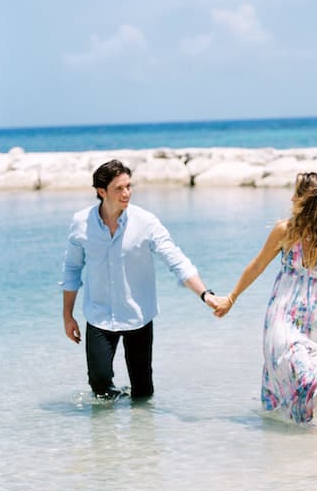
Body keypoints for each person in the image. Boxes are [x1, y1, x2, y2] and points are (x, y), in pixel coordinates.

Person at [60, 159, 218, 400]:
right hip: (99, 315)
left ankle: (142, 435)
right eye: (119, 188)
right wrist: (67, 315)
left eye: (128, 186)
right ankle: (105, 436)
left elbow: (176, 260)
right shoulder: (81, 223)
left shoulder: (146, 222)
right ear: (101, 192)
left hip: (138, 315)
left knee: (143, 392)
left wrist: (205, 294)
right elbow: (72, 268)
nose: (126, 193)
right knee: (99, 385)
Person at [213, 172, 317, 423]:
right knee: (301, 374)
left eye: (297, 194)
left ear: (311, 202)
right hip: (284, 312)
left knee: (315, 377)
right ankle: (307, 431)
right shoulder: (285, 231)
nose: (291, 198)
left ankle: (303, 437)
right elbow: (257, 266)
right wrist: (231, 298)